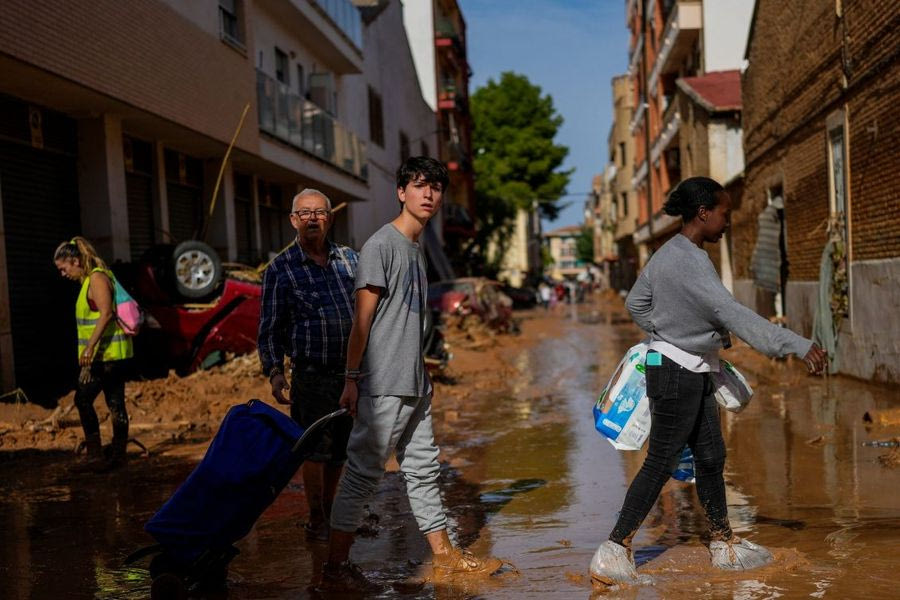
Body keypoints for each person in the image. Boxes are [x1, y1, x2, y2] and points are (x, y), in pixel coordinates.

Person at [590, 177, 828, 585]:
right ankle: (613, 550)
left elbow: (636, 303)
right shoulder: (690, 260)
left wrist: (664, 332)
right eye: (724, 214)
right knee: (662, 459)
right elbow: (730, 312)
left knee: (711, 455)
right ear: (704, 213)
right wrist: (795, 343)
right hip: (677, 373)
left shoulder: (671, 253)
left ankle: (723, 543)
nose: (727, 222)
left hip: (691, 368)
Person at [315, 157, 502, 593]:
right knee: (363, 472)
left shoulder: (415, 249)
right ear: (401, 192)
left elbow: (410, 324)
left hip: (413, 382)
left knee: (422, 470)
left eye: (435, 187)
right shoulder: (383, 246)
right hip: (383, 383)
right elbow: (361, 322)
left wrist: (424, 374)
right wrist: (351, 379)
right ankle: (335, 568)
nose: (429, 195)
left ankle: (446, 556)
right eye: (419, 186)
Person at [258, 188, 357, 542]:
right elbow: (269, 327)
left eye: (319, 212)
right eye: (304, 213)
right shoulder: (280, 269)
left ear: (329, 218)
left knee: (340, 450)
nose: (312, 218)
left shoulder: (350, 260)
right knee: (313, 450)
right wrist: (274, 372)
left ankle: (329, 509)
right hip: (310, 375)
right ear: (293, 220)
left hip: (350, 376)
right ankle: (316, 517)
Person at [54, 237, 133, 472]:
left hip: (107, 356)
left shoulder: (96, 279)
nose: (63, 274)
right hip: (110, 355)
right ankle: (117, 456)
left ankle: (96, 455)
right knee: (115, 402)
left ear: (75, 261)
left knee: (84, 399)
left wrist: (89, 347)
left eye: (63, 268)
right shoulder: (90, 280)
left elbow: (106, 314)